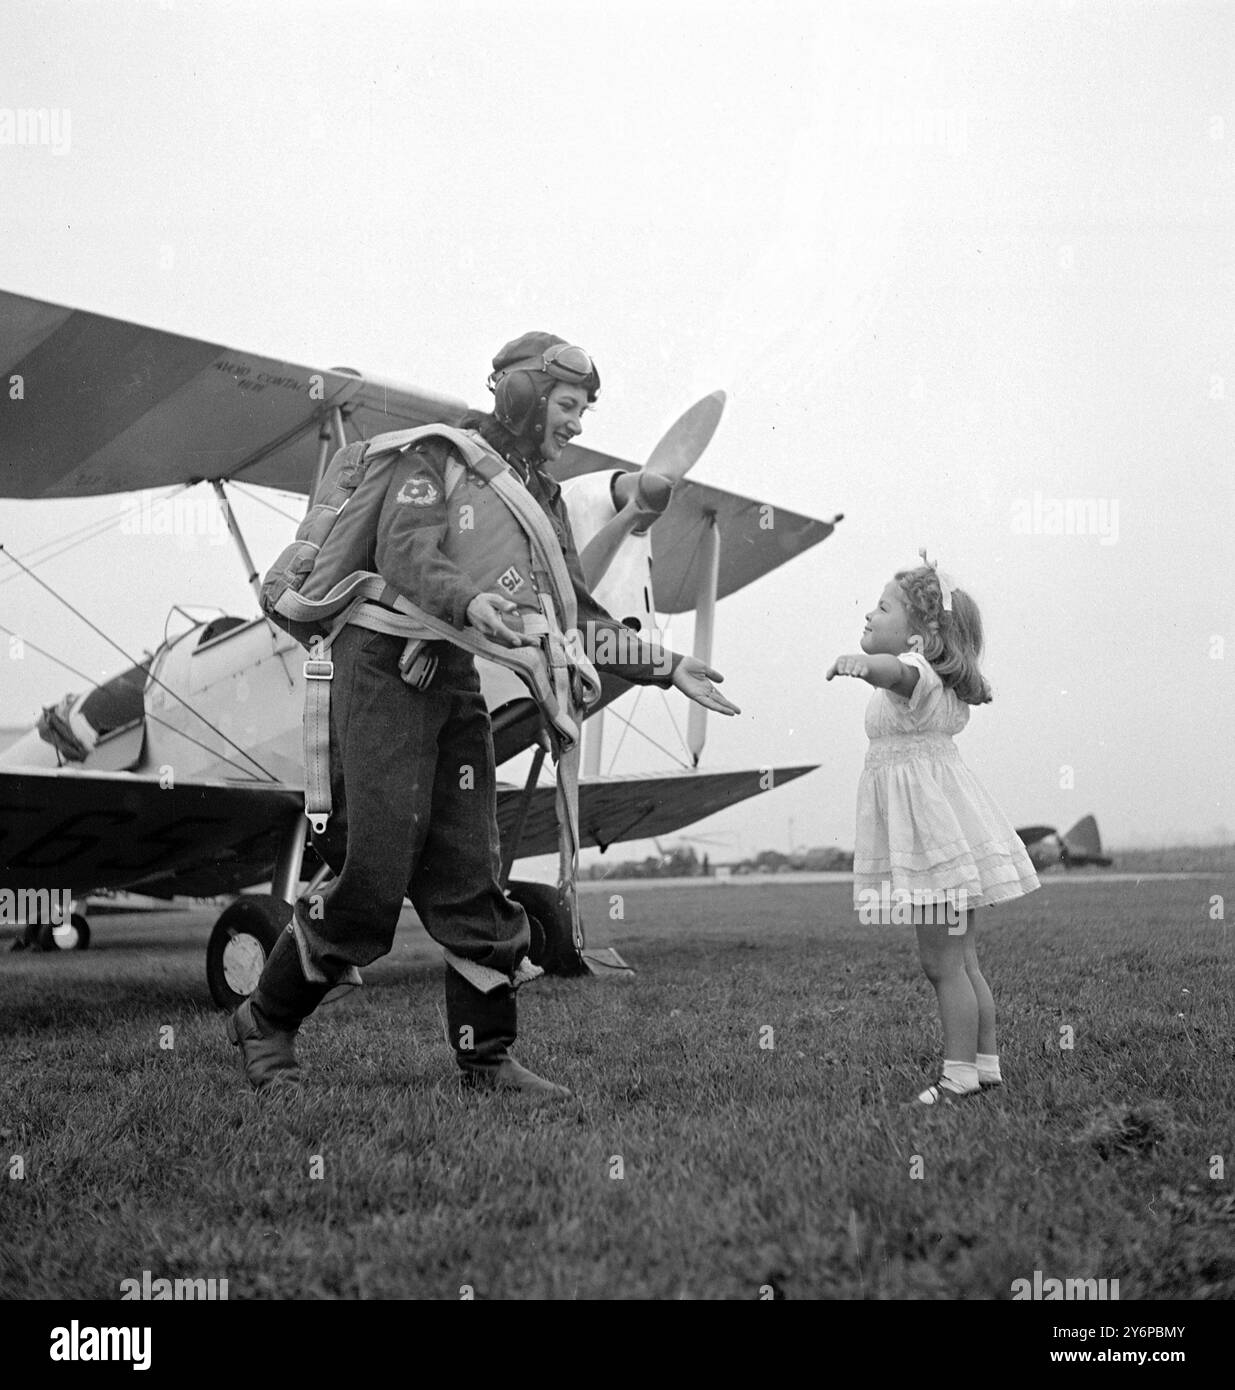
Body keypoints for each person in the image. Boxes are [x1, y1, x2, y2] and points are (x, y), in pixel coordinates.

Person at [228, 331, 739, 1100]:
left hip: (452, 676)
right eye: (568, 405)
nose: (575, 423)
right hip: (381, 669)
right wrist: (466, 600)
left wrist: (666, 666)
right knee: (373, 870)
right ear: (528, 394)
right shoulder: (432, 457)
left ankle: (485, 1060)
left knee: (471, 870)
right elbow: (407, 554)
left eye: (582, 409)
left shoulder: (544, 497)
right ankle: (264, 1023)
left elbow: (575, 614)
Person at [826, 553, 1038, 1105]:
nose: (869, 615)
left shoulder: (914, 675)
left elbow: (893, 671)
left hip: (933, 849)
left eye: (883, 607)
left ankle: (958, 1074)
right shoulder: (937, 685)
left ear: (922, 634)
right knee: (963, 960)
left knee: (941, 964)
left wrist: (861, 663)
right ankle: (984, 1064)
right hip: (947, 839)